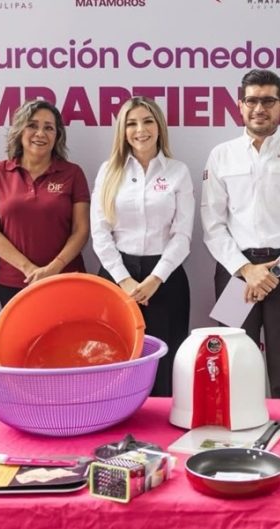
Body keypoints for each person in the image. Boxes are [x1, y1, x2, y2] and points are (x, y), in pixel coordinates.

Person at [200, 69, 280, 411]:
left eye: (268, 101)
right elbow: (212, 223)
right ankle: (232, 438)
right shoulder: (222, 155)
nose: (259, 108)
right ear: (240, 106)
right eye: (252, 100)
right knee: (231, 362)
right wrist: (246, 270)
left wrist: (277, 271)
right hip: (234, 273)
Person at [91, 97, 193, 397]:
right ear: (123, 131)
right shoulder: (109, 170)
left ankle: (160, 425)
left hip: (165, 277)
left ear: (159, 127)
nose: (140, 130)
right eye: (132, 123)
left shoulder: (178, 171)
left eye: (148, 121)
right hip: (117, 276)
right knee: (115, 361)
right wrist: (124, 280)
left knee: (164, 365)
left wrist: (154, 279)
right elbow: (100, 232)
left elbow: (183, 234)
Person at [0, 99, 90, 307]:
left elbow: (81, 230)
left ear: (57, 135)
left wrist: (53, 269)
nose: (40, 133)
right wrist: (29, 269)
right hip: (16, 282)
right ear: (19, 131)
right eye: (32, 125)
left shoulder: (73, 173)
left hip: (65, 278)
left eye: (48, 128)